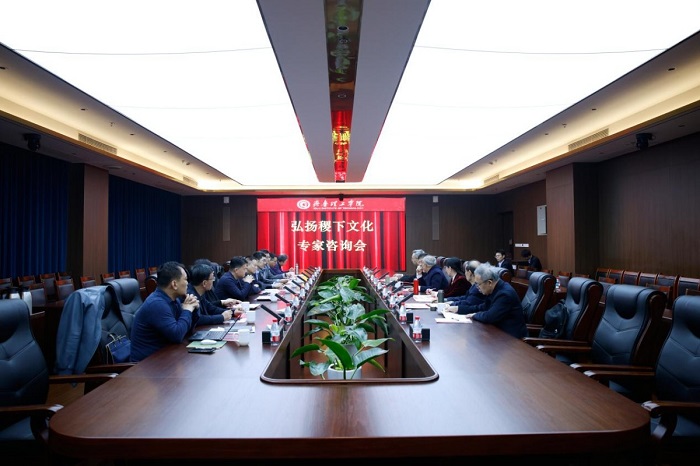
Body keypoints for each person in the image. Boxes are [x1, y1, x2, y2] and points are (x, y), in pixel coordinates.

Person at [130, 261, 199, 362]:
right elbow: (177, 335)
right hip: (146, 365)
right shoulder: (156, 304)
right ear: (174, 284)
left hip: (164, 356)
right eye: (185, 279)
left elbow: (186, 330)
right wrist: (187, 310)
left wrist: (194, 308)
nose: (187, 283)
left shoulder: (174, 299)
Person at [462, 263, 527, 339]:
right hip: (499, 332)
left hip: (512, 338)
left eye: (478, 284)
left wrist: (474, 315)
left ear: (489, 282)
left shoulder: (504, 294)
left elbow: (489, 316)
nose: (477, 287)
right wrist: (460, 309)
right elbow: (483, 307)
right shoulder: (495, 289)